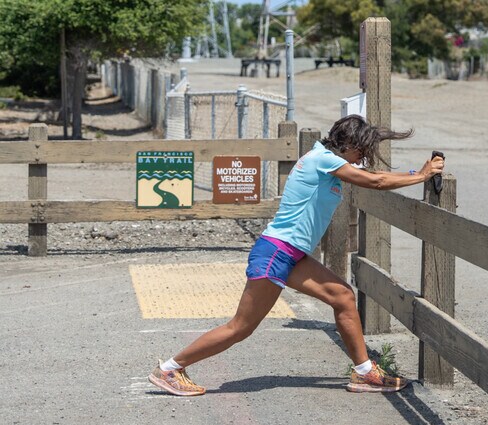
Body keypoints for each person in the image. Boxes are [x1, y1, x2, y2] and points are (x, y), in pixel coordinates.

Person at [148, 114, 445, 396]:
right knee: (240, 327)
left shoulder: (325, 158)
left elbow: (371, 174)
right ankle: (170, 369)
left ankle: (365, 372)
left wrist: (415, 173)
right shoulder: (323, 159)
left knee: (342, 296)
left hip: (290, 254)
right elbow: (375, 182)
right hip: (277, 252)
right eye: (362, 151)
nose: (363, 159)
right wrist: (420, 176)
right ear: (349, 145)